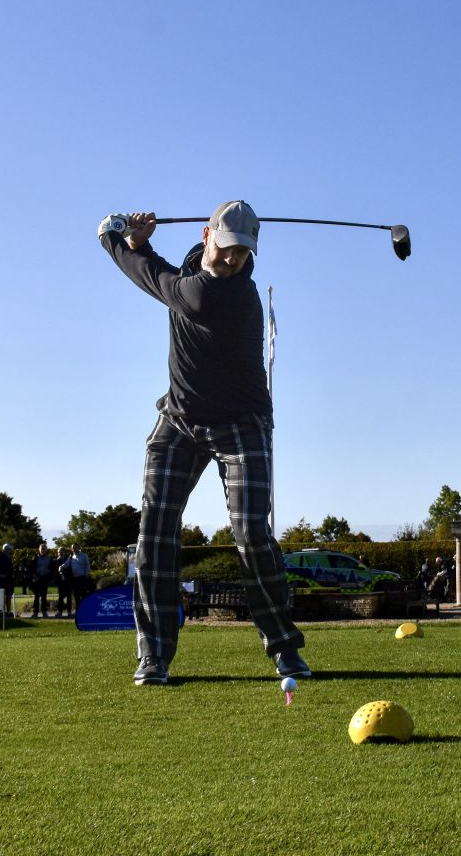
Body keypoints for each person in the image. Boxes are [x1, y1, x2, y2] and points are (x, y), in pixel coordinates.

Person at [98, 201, 309, 686]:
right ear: (208, 234)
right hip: (179, 419)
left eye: (243, 252)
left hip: (242, 423)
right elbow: (166, 271)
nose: (234, 258)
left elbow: (154, 278)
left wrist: (116, 240)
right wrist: (139, 242)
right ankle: (153, 656)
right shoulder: (195, 273)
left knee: (251, 535)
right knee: (154, 534)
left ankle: (284, 649)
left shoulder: (228, 295)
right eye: (228, 246)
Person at [59, 543, 91, 613]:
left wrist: (86, 575)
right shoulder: (71, 556)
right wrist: (61, 567)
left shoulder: (84, 556)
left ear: (78, 547)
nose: (73, 549)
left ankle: (85, 610)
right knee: (76, 595)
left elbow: (87, 566)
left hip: (82, 577)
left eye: (75, 547)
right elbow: (66, 564)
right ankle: (79, 610)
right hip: (74, 578)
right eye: (72, 548)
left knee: (83, 595)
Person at [29, 542, 53, 618]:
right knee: (36, 596)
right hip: (37, 578)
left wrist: (50, 578)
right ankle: (35, 612)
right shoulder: (35, 558)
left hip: (45, 579)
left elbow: (52, 569)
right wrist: (34, 576)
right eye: (41, 549)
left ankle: (44, 612)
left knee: (44, 596)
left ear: (46, 550)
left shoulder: (49, 558)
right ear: (39, 549)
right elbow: (31, 568)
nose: (43, 550)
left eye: (44, 549)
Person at [0, 543, 15, 615]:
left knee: (9, 595)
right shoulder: (0, 557)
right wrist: (0, 574)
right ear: (4, 549)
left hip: (9, 580)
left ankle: (8, 611)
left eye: (9, 549)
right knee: (2, 596)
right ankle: (1, 611)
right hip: (2, 580)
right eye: (8, 549)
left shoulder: (9, 557)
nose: (9, 550)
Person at [54, 546, 73, 618]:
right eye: (59, 552)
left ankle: (69, 612)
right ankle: (59, 612)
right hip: (60, 581)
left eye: (61, 552)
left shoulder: (69, 559)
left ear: (65, 552)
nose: (60, 553)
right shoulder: (56, 561)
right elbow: (55, 572)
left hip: (68, 580)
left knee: (69, 597)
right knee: (60, 597)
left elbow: (71, 569)